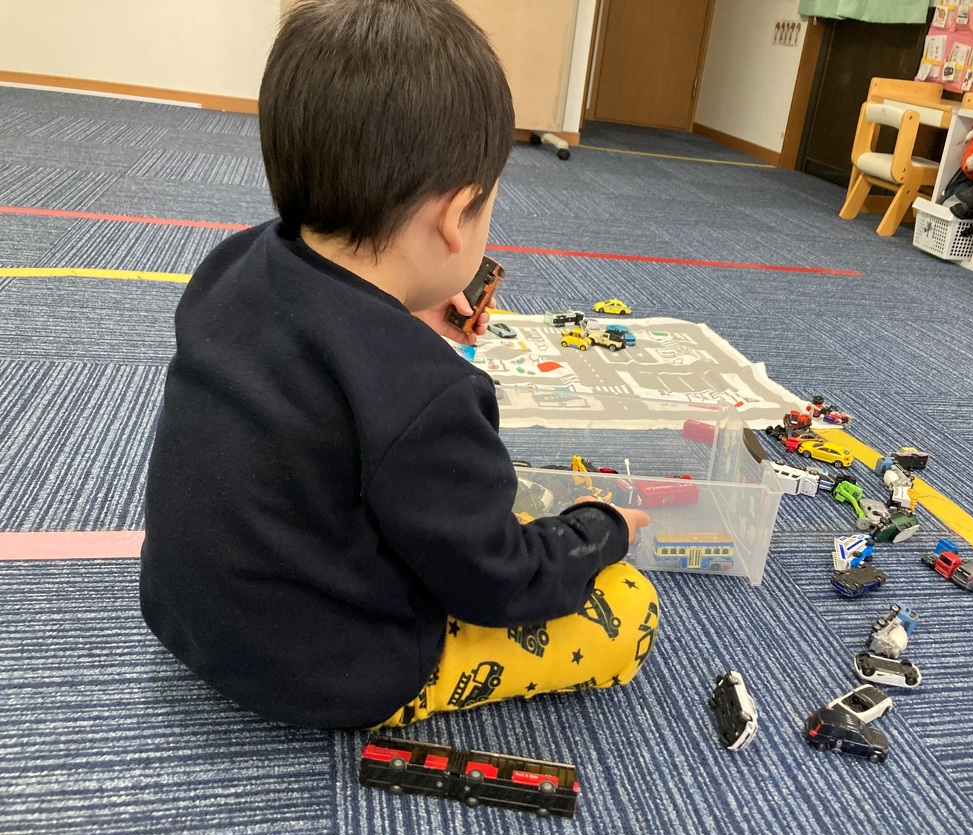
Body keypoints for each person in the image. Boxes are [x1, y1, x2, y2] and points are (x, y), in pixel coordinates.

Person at [139, 0, 658, 730]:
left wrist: (411, 308)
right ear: (456, 215)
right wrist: (598, 529)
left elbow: (324, 336)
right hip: (331, 669)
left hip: (186, 614)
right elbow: (496, 582)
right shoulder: (429, 393)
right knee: (630, 607)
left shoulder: (231, 264)